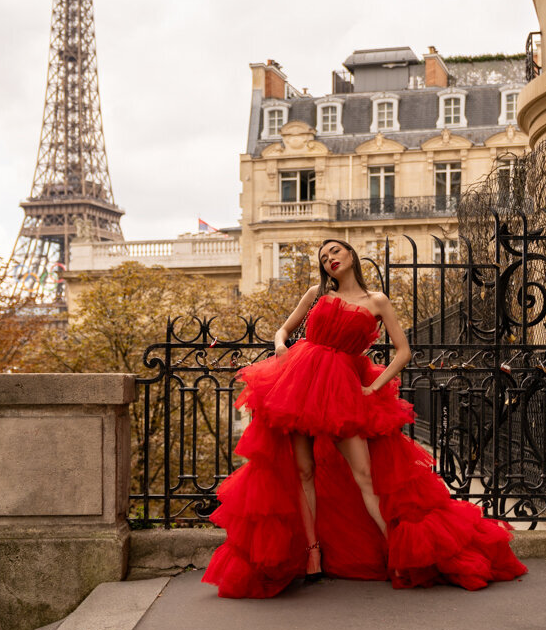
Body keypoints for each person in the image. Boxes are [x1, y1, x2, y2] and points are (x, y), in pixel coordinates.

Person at [202, 238, 527, 598]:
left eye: (335, 252)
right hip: (298, 385)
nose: (329, 260)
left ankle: (397, 553)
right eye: (324, 258)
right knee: (304, 472)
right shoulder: (316, 294)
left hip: (341, 392)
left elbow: (403, 351)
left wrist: (374, 389)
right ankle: (312, 557)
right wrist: (281, 346)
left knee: (365, 476)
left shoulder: (377, 302)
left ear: (351, 255)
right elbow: (284, 330)